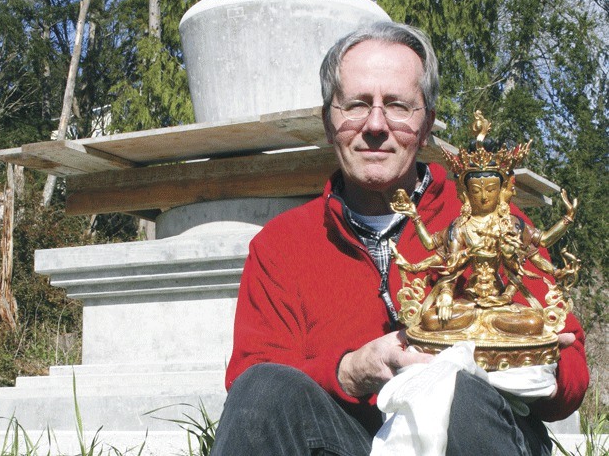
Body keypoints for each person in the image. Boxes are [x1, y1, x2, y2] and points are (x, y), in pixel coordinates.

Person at [210, 22, 589, 456]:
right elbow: (250, 378)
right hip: (346, 439)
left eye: (397, 106)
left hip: (479, 432)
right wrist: (349, 370)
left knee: (458, 394)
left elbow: (573, 371)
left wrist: (538, 362)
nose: (375, 124)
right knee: (262, 390)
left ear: (425, 125)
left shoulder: (495, 221)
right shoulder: (282, 245)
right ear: (328, 122)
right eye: (355, 105)